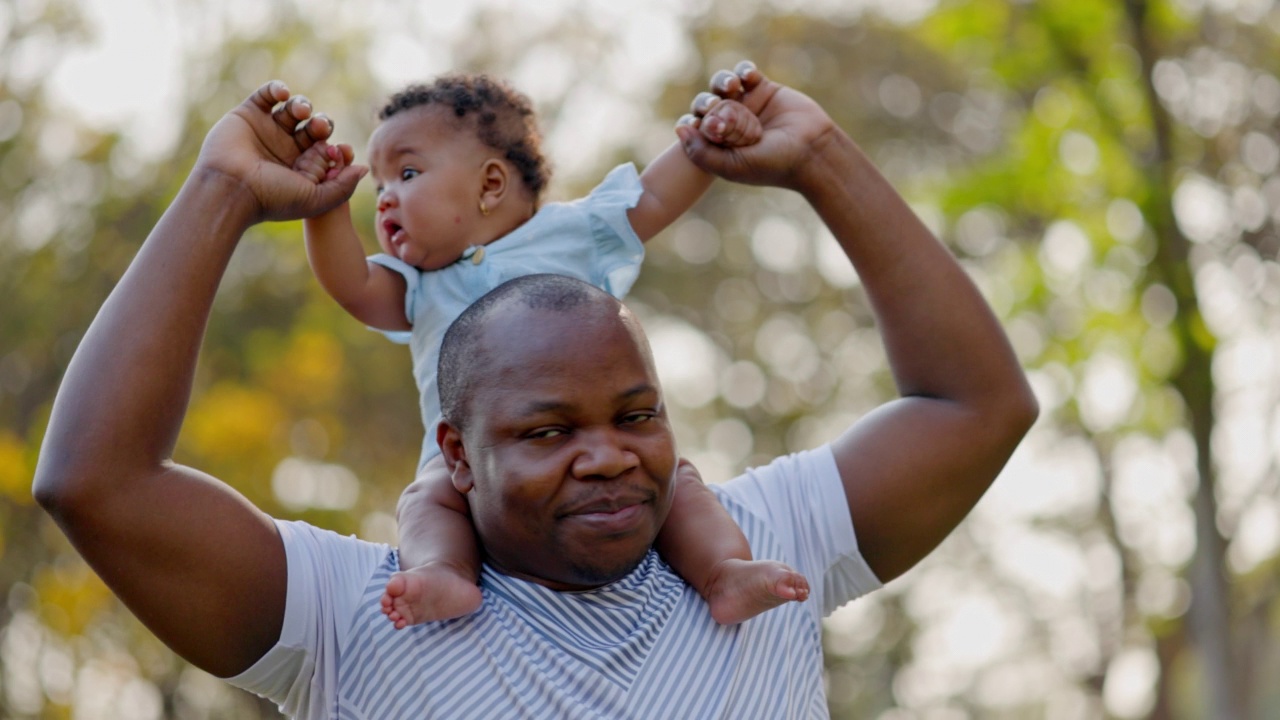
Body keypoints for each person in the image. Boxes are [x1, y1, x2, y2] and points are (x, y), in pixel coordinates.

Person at [32, 62, 1038, 718]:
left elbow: (975, 406)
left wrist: (818, 158)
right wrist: (223, 192)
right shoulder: (360, 616)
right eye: (547, 430)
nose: (607, 454)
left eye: (636, 416)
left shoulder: (760, 555)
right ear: (456, 453)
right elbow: (96, 481)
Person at [294, 71, 808, 627]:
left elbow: (655, 195)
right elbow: (350, 284)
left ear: (491, 184)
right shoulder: (418, 286)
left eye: (408, 172)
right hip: (467, 472)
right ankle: (445, 572)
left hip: (597, 444)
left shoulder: (573, 232)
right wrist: (324, 206)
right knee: (426, 502)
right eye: (379, 187)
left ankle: (724, 571)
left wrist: (711, 138)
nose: (386, 196)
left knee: (681, 487)